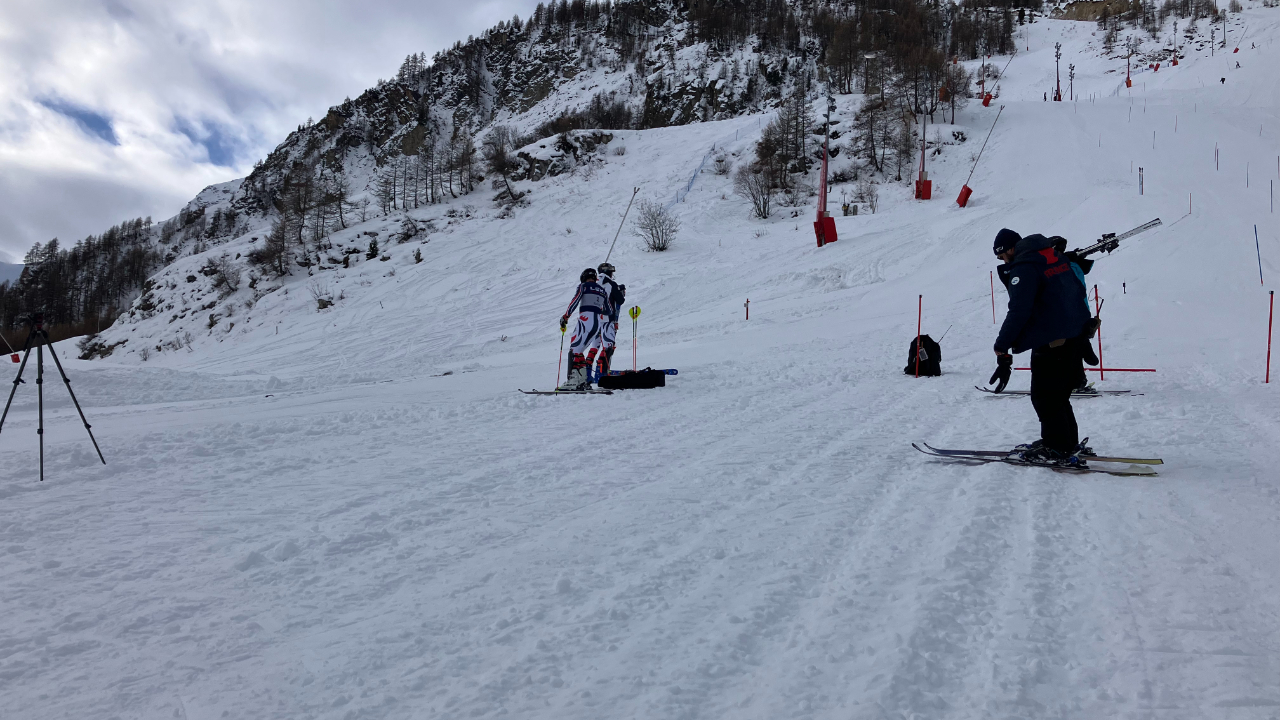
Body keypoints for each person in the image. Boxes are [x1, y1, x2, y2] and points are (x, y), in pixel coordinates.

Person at [987, 228, 1095, 467]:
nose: (1003, 261)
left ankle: (1057, 447)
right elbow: (1077, 291)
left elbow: (1019, 310)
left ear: (1010, 249)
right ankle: (1064, 442)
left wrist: (1001, 347)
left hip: (1053, 341)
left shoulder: (1025, 267)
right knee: (1058, 396)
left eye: (1002, 255)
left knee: (1045, 397)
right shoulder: (1053, 257)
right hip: (1072, 336)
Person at [558, 268, 610, 390]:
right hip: (597, 323)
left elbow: (575, 301)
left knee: (574, 349)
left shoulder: (583, 286)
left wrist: (566, 316)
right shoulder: (602, 290)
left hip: (585, 320)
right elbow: (609, 310)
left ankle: (574, 380)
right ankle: (582, 380)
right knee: (579, 349)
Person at [594, 262, 626, 380]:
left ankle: (586, 373)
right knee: (609, 345)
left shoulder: (593, 283)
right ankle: (601, 372)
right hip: (607, 319)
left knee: (594, 346)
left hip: (593, 319)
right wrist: (620, 291)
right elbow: (620, 300)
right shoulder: (611, 284)